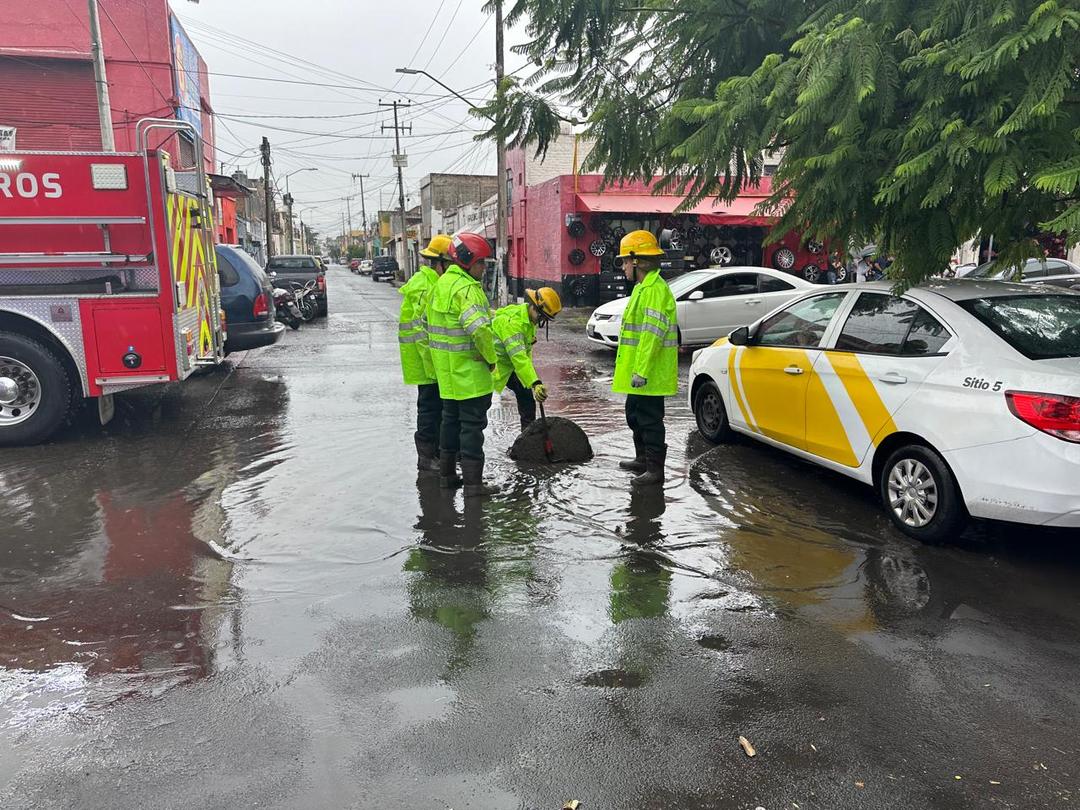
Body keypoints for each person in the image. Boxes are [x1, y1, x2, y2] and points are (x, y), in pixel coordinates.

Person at [426, 231, 499, 497]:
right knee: (472, 427)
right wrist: (491, 359)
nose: (483, 268)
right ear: (469, 262)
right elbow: (479, 329)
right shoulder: (467, 289)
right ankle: (473, 485)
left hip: (447, 373)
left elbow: (427, 325)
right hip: (469, 374)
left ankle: (447, 477)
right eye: (481, 263)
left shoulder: (441, 286)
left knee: (450, 423)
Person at [613, 230, 678, 487]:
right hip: (640, 372)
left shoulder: (653, 290)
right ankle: (642, 459)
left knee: (650, 419)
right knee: (634, 414)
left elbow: (651, 336)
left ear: (637, 260)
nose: (623, 267)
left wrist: (641, 371)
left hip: (650, 372)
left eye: (625, 261)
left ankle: (655, 470)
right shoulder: (644, 288)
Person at [399, 234, 453, 472]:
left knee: (437, 408)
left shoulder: (433, 282)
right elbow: (421, 332)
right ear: (441, 263)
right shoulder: (425, 285)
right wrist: (434, 367)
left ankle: (439, 453)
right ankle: (427, 457)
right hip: (426, 362)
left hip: (431, 360)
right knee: (429, 408)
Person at [491, 287, 562, 430]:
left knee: (527, 399)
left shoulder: (528, 320)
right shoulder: (513, 324)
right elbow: (519, 357)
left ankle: (528, 437)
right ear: (534, 307)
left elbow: (524, 356)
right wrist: (535, 382)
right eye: (541, 317)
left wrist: (530, 380)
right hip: (495, 366)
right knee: (478, 409)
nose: (540, 322)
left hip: (511, 365)